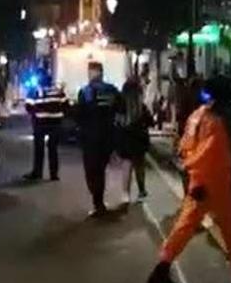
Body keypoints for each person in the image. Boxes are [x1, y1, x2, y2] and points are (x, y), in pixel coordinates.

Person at [146, 77, 231, 283]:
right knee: (219, 230)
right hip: (211, 184)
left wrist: (192, 175)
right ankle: (162, 271)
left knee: (206, 229)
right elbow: (207, 154)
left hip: (206, 183)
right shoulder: (214, 123)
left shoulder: (196, 117)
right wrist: (200, 181)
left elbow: (185, 148)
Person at [75, 61, 122, 217]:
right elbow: (121, 108)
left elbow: (79, 114)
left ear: (93, 72)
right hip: (108, 136)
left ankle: (98, 202)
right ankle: (99, 202)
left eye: (90, 72)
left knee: (91, 171)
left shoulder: (86, 91)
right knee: (100, 169)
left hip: (90, 137)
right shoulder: (112, 90)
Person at [24, 73, 69, 182]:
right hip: (56, 123)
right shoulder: (58, 91)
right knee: (53, 149)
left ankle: (37, 172)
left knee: (39, 148)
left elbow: (28, 106)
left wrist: (37, 113)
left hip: (40, 123)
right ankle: (54, 174)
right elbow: (66, 105)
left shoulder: (35, 91)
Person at [115, 78, 152, 202]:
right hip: (139, 139)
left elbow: (116, 121)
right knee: (139, 165)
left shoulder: (120, 104)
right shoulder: (141, 107)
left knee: (126, 165)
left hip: (124, 138)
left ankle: (125, 193)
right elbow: (150, 121)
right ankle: (142, 190)